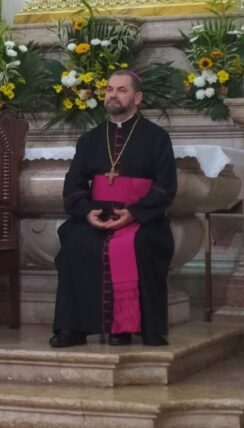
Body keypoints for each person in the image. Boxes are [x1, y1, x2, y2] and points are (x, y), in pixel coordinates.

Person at [50, 70, 177, 348]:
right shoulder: (90, 140)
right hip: (97, 214)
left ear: (137, 97)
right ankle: (73, 328)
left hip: (141, 217)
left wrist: (134, 213)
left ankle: (126, 327)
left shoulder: (157, 138)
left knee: (140, 243)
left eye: (121, 90)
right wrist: (86, 212)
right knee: (75, 242)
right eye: (109, 89)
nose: (113, 95)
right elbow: (74, 183)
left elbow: (166, 187)